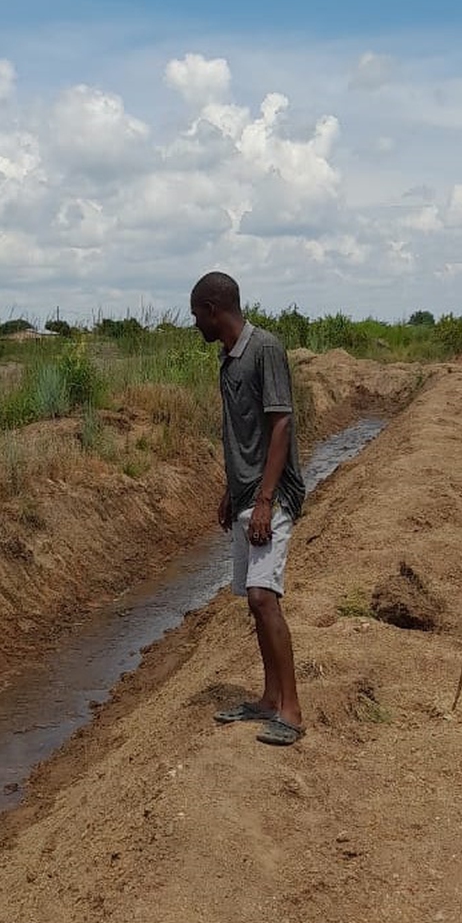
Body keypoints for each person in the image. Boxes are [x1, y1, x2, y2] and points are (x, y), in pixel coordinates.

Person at [190, 271, 306, 746]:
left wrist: (263, 500)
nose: (195, 322)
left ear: (214, 310)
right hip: (246, 494)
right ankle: (267, 699)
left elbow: (280, 426)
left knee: (263, 597)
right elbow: (242, 434)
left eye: (197, 313)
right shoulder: (227, 359)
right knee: (254, 605)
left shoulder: (265, 350)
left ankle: (292, 712)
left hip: (272, 496)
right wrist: (230, 489)